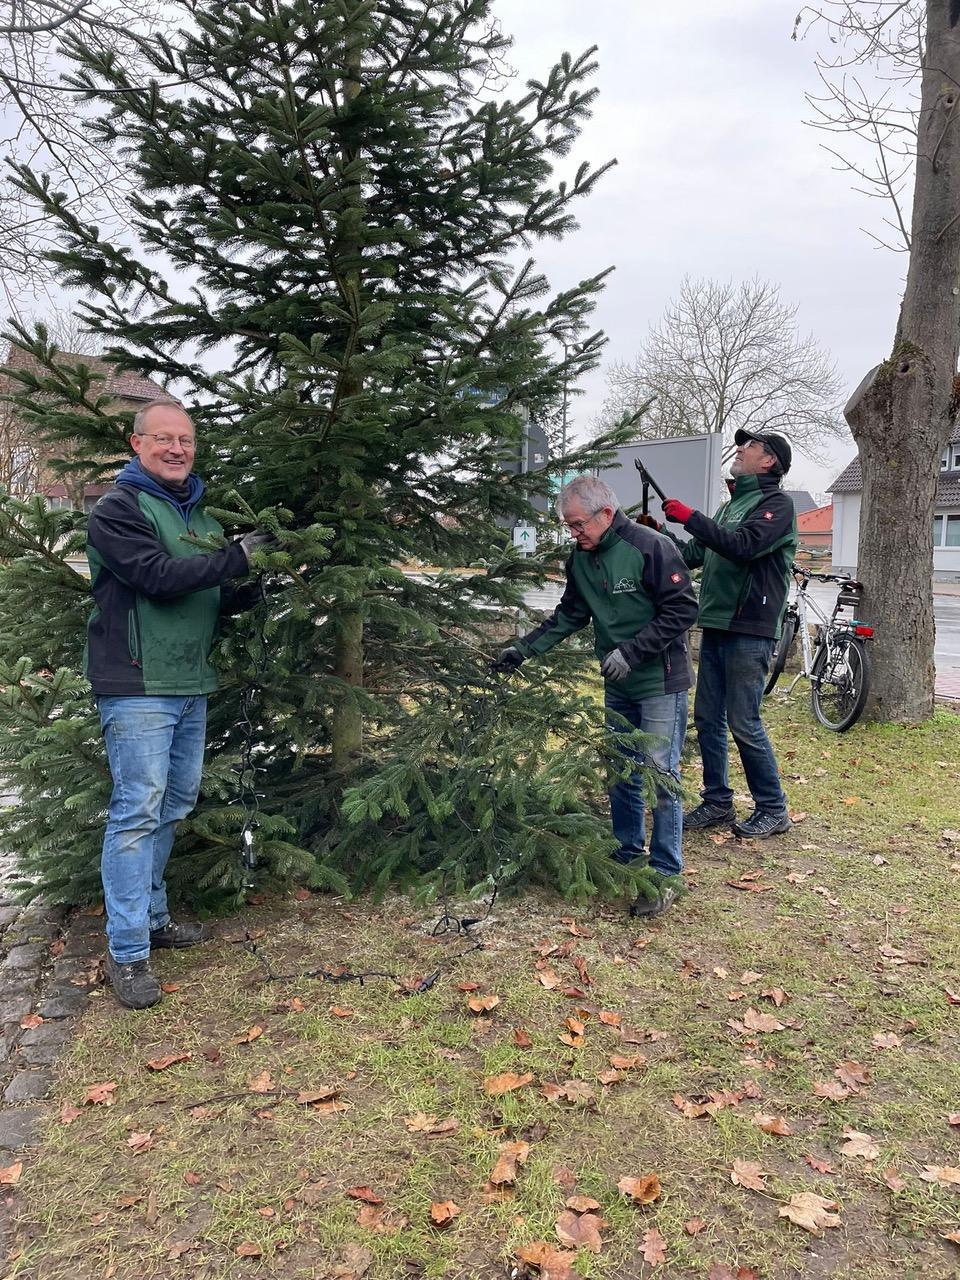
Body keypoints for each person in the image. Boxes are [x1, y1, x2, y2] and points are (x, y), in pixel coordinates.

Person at [86, 399, 273, 1009]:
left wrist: (251, 585)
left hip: (190, 681)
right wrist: (235, 556)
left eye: (185, 440)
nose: (176, 449)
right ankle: (128, 951)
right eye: (162, 438)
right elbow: (159, 577)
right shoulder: (118, 509)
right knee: (136, 812)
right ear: (135, 444)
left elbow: (206, 591)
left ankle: (154, 918)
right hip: (138, 684)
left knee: (172, 804)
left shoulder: (198, 513)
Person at [491, 475, 698, 917]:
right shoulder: (581, 559)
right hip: (618, 684)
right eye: (568, 526)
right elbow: (569, 614)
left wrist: (633, 650)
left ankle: (664, 874)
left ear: (606, 514)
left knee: (661, 774)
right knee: (621, 770)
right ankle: (627, 855)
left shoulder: (649, 547)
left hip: (659, 681)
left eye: (578, 524)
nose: (574, 532)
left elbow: (683, 608)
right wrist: (522, 650)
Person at [651, 428, 798, 839]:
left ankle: (773, 808)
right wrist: (660, 534)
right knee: (708, 717)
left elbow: (744, 546)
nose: (740, 449)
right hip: (715, 621)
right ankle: (717, 801)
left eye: (749, 445)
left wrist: (691, 517)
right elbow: (694, 555)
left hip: (750, 627)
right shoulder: (730, 506)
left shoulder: (777, 505)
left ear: (768, 460)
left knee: (743, 720)